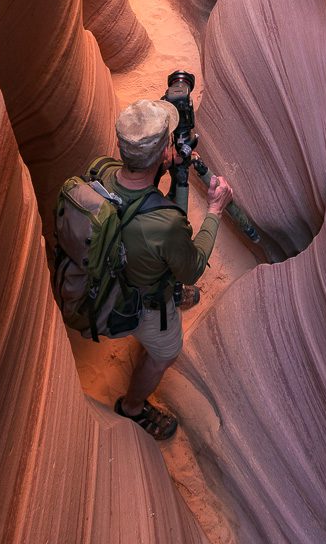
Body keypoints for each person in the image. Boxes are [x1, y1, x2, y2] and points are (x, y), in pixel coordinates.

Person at [101, 98, 233, 441]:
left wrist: (165, 162)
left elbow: (136, 183)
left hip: (117, 271)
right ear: (162, 153)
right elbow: (192, 267)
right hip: (144, 304)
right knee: (164, 353)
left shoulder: (102, 171)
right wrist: (216, 210)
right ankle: (132, 407)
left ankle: (169, 293)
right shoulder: (164, 224)